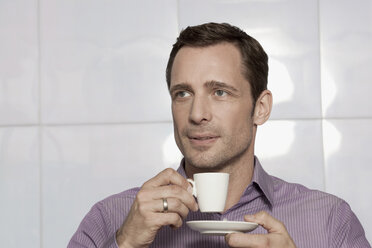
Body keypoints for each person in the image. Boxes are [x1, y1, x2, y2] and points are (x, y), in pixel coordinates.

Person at [68, 22, 371, 248]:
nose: (197, 113)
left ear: (261, 108)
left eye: (220, 92)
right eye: (183, 93)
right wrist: (126, 243)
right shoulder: (112, 217)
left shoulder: (330, 221)